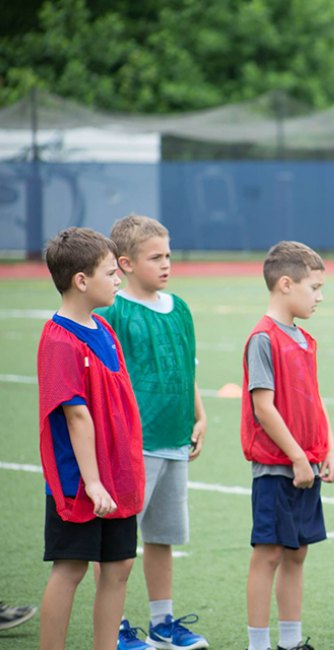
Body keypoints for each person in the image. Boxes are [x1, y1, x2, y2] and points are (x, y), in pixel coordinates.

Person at [96, 214, 208, 650]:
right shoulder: (114, 311)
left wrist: (199, 417)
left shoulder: (179, 307)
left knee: (162, 537)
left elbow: (187, 368)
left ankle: (163, 623)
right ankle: (117, 626)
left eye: (168, 255)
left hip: (175, 440)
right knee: (120, 543)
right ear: (124, 263)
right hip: (132, 446)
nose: (166, 265)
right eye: (155, 257)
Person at [36, 227, 146, 650]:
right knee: (70, 568)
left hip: (115, 475)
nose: (118, 278)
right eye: (109, 271)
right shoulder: (60, 340)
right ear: (81, 281)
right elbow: (78, 416)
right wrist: (94, 481)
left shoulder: (103, 327)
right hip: (79, 479)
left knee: (118, 566)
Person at [242, 241, 334, 650]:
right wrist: (298, 457)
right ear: (286, 284)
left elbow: (314, 400)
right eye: (314, 287)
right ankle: (258, 644)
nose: (319, 297)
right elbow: (263, 407)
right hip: (277, 469)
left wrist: (329, 449)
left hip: (308, 467)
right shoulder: (263, 339)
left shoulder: (304, 338)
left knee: (297, 553)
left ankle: (290, 641)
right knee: (268, 554)